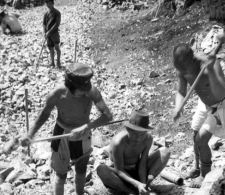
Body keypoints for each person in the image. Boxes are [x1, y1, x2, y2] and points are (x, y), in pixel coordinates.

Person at [20, 63, 113, 195]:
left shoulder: (91, 92)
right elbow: (43, 115)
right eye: (80, 88)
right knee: (60, 172)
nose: (84, 91)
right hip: (61, 131)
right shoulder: (57, 94)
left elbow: (108, 116)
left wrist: (86, 127)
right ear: (70, 85)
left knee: (81, 167)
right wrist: (29, 134)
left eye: (85, 87)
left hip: (83, 134)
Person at [172, 33, 225, 188]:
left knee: (201, 139)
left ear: (192, 59)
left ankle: (205, 175)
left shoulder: (210, 65)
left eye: (184, 68)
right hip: (205, 102)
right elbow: (181, 91)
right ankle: (197, 167)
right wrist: (178, 107)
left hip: (221, 104)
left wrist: (211, 71)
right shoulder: (183, 68)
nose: (182, 71)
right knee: (195, 133)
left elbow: (220, 92)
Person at [97, 110, 171, 195]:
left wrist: (143, 184)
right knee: (101, 169)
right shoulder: (118, 142)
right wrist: (137, 184)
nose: (138, 139)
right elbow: (119, 170)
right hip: (119, 175)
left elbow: (143, 163)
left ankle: (145, 187)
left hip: (136, 171)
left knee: (165, 151)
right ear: (128, 129)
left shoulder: (148, 139)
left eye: (142, 135)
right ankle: (129, 192)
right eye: (135, 134)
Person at [43, 0, 61, 68]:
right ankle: (52, 63)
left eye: (50, 3)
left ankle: (58, 63)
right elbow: (44, 23)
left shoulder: (57, 13)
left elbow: (57, 24)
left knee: (57, 47)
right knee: (50, 48)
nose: (48, 5)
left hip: (54, 33)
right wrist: (45, 32)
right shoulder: (46, 13)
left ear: (53, 4)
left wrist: (49, 31)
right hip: (48, 34)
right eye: (47, 3)